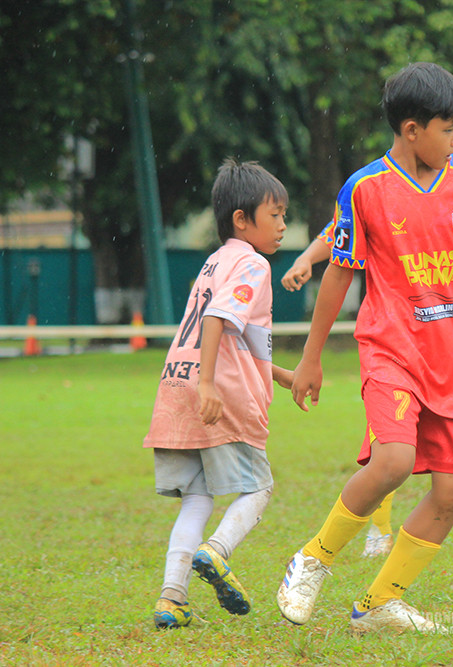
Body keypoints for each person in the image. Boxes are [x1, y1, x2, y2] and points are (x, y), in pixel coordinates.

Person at [275, 62, 453, 635]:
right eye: (449, 128)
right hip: (392, 350)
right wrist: (310, 358)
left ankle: (379, 603)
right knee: (393, 461)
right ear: (412, 130)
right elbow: (338, 275)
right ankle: (312, 559)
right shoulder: (364, 189)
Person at [281, 223, 453, 558]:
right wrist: (306, 258)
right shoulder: (374, 187)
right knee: (392, 446)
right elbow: (339, 234)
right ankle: (378, 529)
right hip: (396, 340)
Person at [144, 158, 293, 629]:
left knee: (197, 498)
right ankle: (217, 551)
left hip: (175, 384)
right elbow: (217, 321)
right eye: (276, 215)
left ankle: (171, 597)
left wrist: (288, 379)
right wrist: (210, 383)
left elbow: (245, 341)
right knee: (260, 486)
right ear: (242, 220)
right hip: (215, 390)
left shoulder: (215, 260)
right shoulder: (252, 263)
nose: (284, 226)